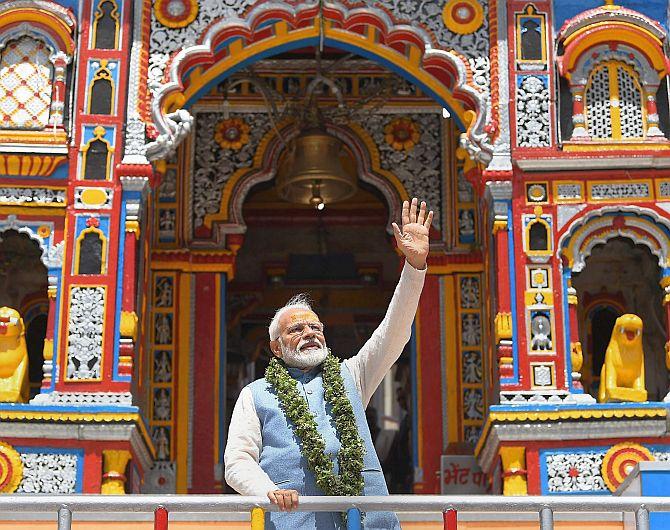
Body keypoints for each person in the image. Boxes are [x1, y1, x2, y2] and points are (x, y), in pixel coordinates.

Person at [224, 198, 432, 529]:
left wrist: (414, 267)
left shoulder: (351, 375)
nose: (310, 333)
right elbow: (237, 461)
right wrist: (269, 492)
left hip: (364, 522)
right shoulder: (255, 394)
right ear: (275, 348)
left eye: (316, 327)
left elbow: (394, 333)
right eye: (297, 329)